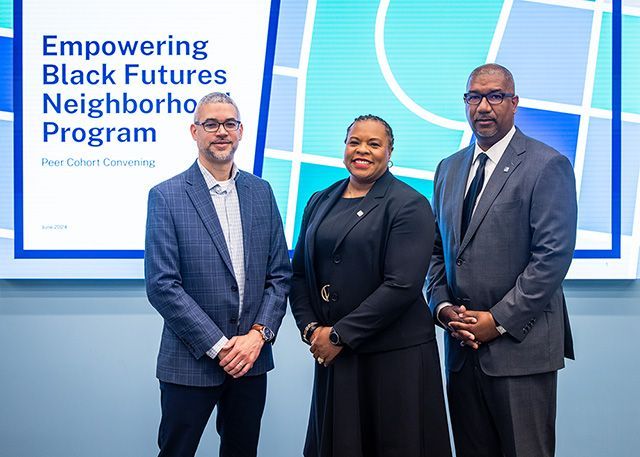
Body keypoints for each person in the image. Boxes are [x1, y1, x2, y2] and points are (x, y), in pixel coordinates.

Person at [426, 63, 577, 457]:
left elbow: (551, 258)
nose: (483, 107)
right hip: (461, 351)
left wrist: (497, 321)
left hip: (520, 350)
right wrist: (443, 308)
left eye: (494, 96)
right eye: (474, 96)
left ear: (514, 103)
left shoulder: (547, 165)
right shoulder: (448, 168)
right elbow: (436, 251)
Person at [290, 114, 452, 457]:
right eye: (355, 142)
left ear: (389, 151)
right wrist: (312, 330)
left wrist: (339, 335)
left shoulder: (409, 204)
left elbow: (402, 285)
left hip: (393, 359)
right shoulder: (320, 200)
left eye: (374, 144)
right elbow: (300, 275)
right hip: (337, 357)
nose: (362, 150)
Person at [144, 92, 291, 457]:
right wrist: (221, 345)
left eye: (229, 124)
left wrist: (258, 335)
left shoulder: (261, 192)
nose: (220, 132)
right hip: (190, 362)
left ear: (241, 131)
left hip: (251, 361)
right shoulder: (167, 195)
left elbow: (279, 276)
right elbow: (163, 286)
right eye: (211, 124)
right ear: (195, 131)